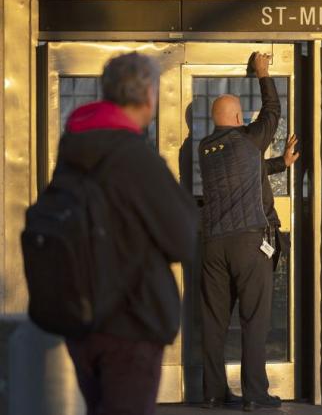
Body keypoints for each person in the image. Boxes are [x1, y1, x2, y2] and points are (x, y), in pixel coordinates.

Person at [56, 52, 199, 415]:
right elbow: (183, 238)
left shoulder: (73, 149)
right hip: (129, 320)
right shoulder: (134, 156)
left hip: (80, 315)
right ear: (149, 95)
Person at [199, 52, 299, 412]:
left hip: (213, 245)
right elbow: (273, 111)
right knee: (254, 320)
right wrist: (263, 73)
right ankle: (255, 395)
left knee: (213, 322)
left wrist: (280, 164)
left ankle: (212, 393)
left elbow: (243, 176)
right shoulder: (248, 138)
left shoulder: (206, 148)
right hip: (248, 243)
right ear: (240, 118)